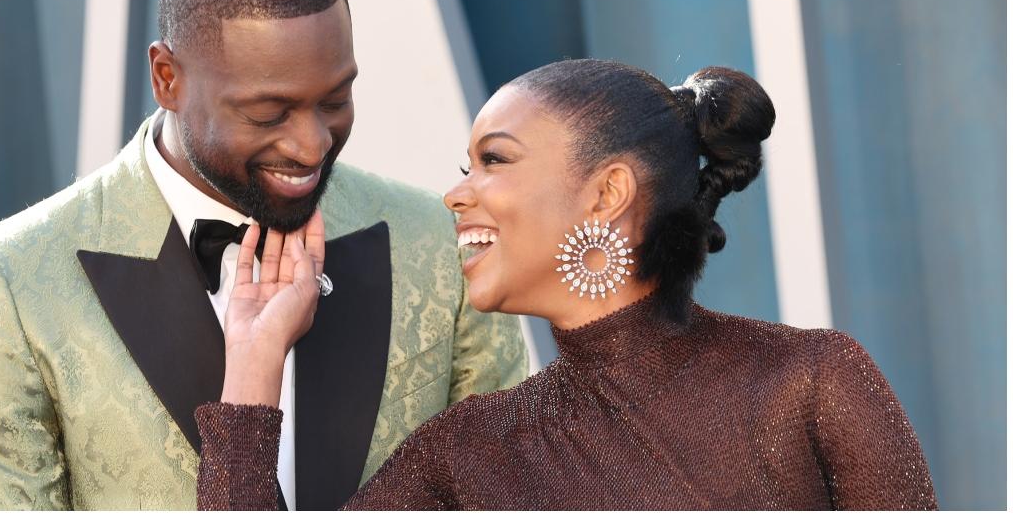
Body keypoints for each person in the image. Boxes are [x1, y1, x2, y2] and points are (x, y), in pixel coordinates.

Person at [0, 0, 526, 510]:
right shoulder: (12, 284)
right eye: (268, 115)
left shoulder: (442, 243)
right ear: (167, 78)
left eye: (335, 100)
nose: (312, 145)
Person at [195, 60, 939, 510]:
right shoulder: (467, 453)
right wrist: (255, 362)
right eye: (465, 169)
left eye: (496, 160)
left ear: (606, 191)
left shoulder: (810, 382)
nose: (456, 196)